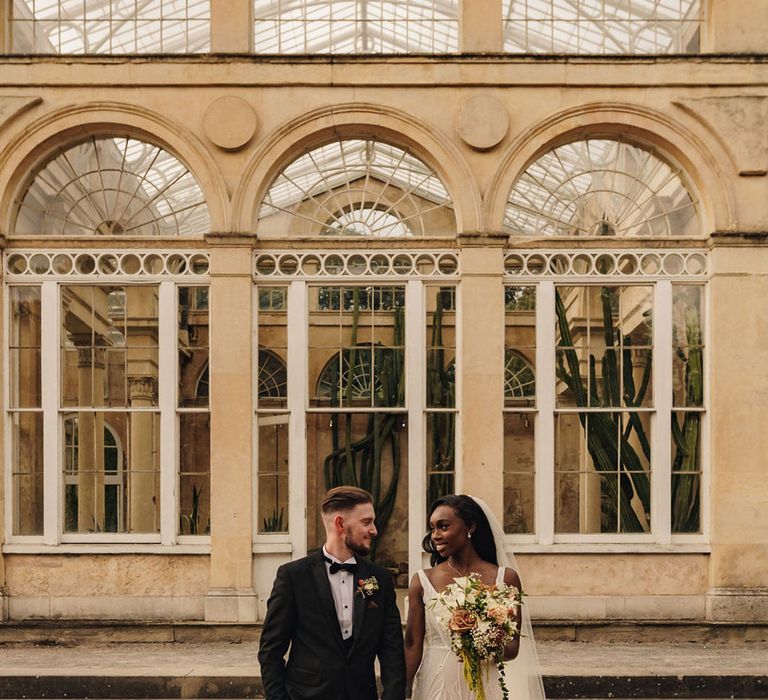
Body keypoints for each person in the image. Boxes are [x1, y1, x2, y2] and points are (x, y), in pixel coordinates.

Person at [258, 486, 406, 700]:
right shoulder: (293, 576)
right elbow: (270, 650)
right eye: (366, 522)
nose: (374, 530)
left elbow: (392, 651)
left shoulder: (380, 579)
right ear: (340, 523)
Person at [404, 494, 546, 700]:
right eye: (432, 528)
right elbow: (412, 644)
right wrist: (402, 688)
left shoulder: (505, 578)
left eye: (443, 526)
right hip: (436, 682)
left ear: (470, 527)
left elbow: (513, 646)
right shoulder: (422, 581)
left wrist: (482, 640)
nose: (435, 535)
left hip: (486, 682)